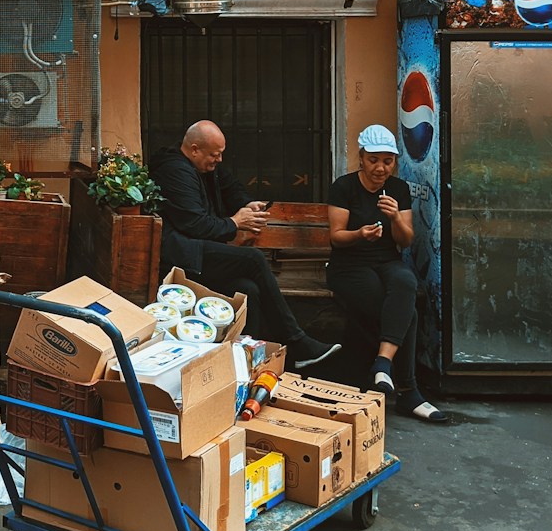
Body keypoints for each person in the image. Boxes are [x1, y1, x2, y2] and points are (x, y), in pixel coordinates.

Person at [149, 120, 340, 371]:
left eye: (221, 154)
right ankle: (298, 340)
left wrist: (247, 205)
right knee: (253, 259)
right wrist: (235, 222)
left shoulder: (205, 166)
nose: (219, 160)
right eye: (214, 154)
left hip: (200, 251)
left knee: (247, 288)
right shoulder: (175, 171)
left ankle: (247, 362)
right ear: (194, 149)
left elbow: (231, 188)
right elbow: (194, 224)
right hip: (183, 257)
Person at [327, 124, 447, 424]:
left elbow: (405, 240)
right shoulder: (343, 187)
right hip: (348, 265)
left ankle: (383, 364)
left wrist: (394, 217)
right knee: (406, 312)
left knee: (405, 281)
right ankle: (409, 392)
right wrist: (359, 234)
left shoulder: (398, 189)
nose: (381, 168)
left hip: (386, 261)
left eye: (388, 161)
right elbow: (336, 237)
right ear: (361, 158)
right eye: (374, 160)